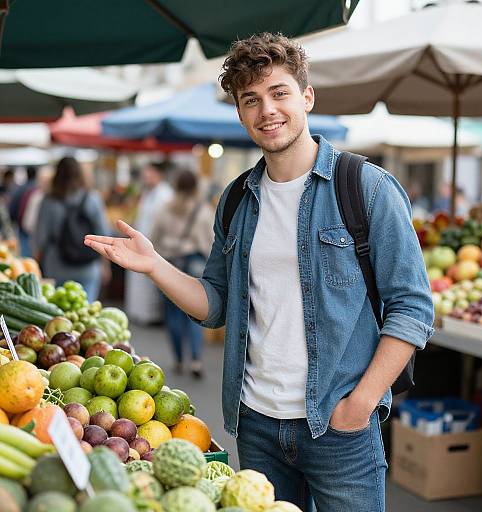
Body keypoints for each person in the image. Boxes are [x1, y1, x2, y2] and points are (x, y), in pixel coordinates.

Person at [85, 33, 434, 511]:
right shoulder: (235, 201)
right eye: (251, 100)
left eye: (279, 93)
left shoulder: (365, 188)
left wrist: (360, 405)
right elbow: (215, 305)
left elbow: (412, 308)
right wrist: (153, 266)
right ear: (240, 112)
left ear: (306, 96)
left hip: (339, 428)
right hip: (257, 425)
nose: (266, 110)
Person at [150, 169, 214, 377]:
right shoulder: (203, 210)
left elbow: (154, 239)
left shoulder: (165, 209)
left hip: (169, 263)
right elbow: (211, 242)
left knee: (172, 313)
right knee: (196, 313)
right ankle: (195, 359)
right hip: (194, 262)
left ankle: (178, 359)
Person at [34, 157, 110, 301]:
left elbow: (40, 238)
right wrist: (105, 265)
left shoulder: (49, 201)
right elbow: (104, 234)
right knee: (85, 312)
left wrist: (37, 264)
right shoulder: (92, 198)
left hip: (56, 266)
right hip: (88, 266)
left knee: (58, 311)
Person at [124, 161, 173, 324]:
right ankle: (140, 314)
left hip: (154, 244)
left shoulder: (165, 194)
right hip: (140, 241)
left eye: (149, 173)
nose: (146, 176)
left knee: (151, 281)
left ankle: (152, 316)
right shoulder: (147, 193)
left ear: (158, 174)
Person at [9, 166, 38, 257]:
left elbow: (12, 206)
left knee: (25, 254)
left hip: (23, 228)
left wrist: (14, 220)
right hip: (37, 229)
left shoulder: (20, 188)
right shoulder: (39, 189)